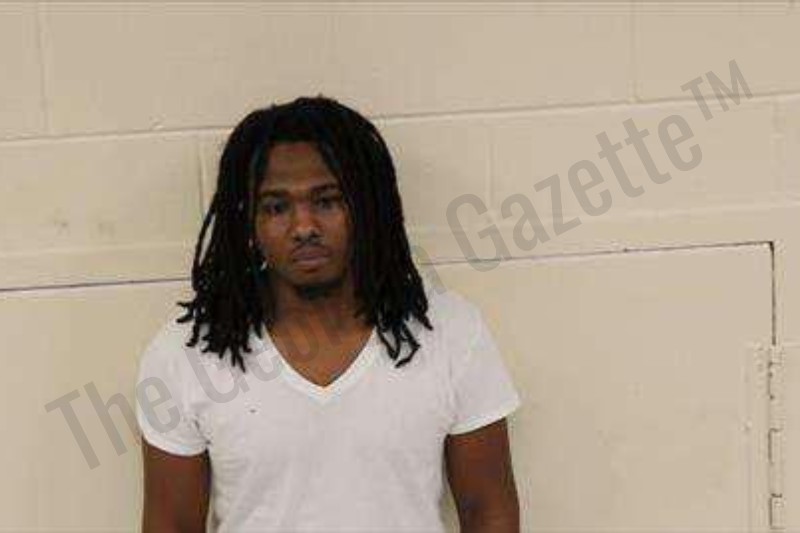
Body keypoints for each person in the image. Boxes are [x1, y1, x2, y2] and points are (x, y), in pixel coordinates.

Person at [135, 95, 522, 532]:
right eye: (276, 207)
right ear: (249, 222)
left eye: (327, 200)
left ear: (367, 208)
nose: (304, 227)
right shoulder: (185, 356)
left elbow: (488, 511)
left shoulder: (451, 332)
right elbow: (172, 524)